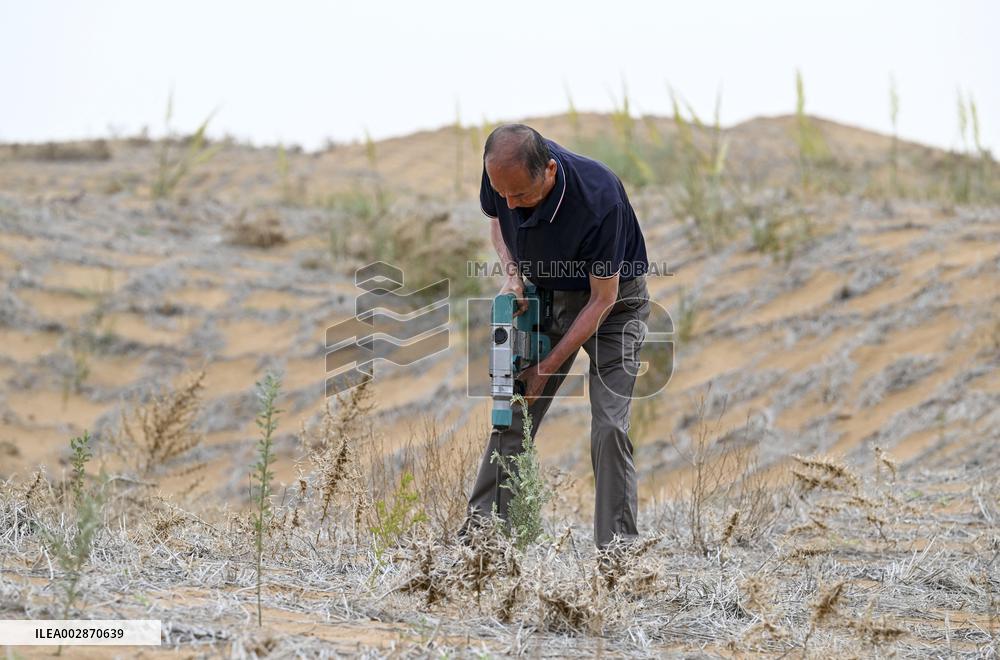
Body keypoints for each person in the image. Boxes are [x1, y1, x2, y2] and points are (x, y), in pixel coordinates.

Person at [462, 123, 651, 549]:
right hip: (546, 295)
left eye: (522, 196)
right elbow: (498, 222)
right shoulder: (502, 174)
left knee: (609, 428)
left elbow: (602, 300)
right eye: (503, 193)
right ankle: (480, 546)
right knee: (513, 410)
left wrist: (546, 368)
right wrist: (512, 277)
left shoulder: (599, 199)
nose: (511, 203)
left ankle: (617, 558)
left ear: (549, 170)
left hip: (615, 306)